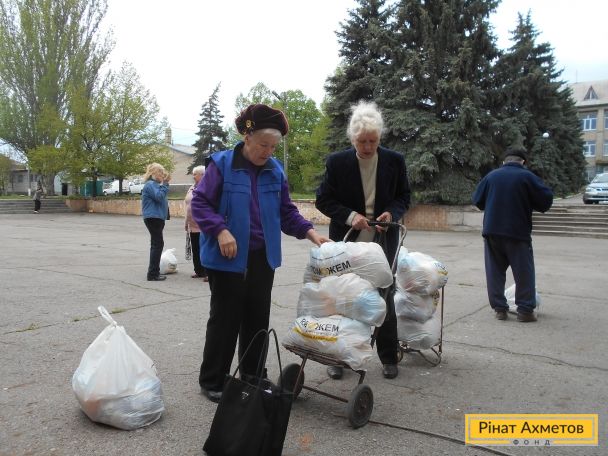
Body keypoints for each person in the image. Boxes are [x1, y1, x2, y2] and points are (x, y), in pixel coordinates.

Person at [191, 104, 329, 403]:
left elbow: (286, 211)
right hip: (227, 258)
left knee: (257, 319)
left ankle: (253, 375)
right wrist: (220, 230)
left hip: (262, 257)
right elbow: (200, 204)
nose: (268, 152)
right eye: (263, 145)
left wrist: (310, 232)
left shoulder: (274, 170)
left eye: (273, 146)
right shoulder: (222, 165)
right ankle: (213, 380)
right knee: (225, 321)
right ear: (247, 137)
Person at [315, 100, 411, 380]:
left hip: (384, 241)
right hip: (347, 240)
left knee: (384, 295)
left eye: (373, 141)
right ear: (352, 138)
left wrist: (391, 213)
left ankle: (388, 356)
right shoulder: (337, 162)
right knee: (343, 296)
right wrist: (350, 216)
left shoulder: (394, 160)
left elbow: (404, 196)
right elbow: (323, 199)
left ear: (379, 138)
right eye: (362, 141)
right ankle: (337, 356)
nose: (368, 147)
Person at [472, 147, 553, 322]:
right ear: (523, 162)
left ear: (504, 161)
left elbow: (477, 200)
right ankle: (525, 311)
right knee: (523, 272)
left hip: (492, 231)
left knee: (494, 272)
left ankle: (500, 309)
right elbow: (546, 202)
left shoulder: (491, 176)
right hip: (518, 232)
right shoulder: (527, 177)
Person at [141, 163, 171, 281]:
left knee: (156, 244)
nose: (163, 175)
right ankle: (153, 274)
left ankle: (154, 272)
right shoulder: (150, 184)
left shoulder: (154, 185)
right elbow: (159, 197)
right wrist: (165, 184)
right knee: (157, 244)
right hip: (153, 217)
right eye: (160, 172)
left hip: (156, 217)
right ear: (153, 173)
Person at [184, 165, 207, 280]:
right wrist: (186, 222)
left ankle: (208, 272)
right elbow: (187, 205)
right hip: (192, 225)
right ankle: (198, 270)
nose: (193, 176)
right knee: (195, 248)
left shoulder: (207, 187)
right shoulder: (192, 187)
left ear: (202, 175)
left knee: (204, 249)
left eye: (195, 174)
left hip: (203, 225)